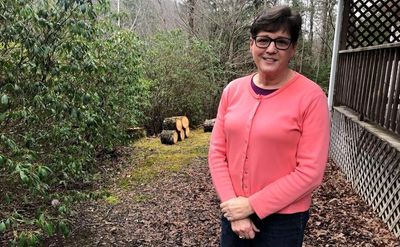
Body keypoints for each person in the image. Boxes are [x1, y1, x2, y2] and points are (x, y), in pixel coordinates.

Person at [208, 5, 330, 247]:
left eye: (281, 42)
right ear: (251, 44)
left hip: (284, 221)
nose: (271, 49)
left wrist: (252, 205)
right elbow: (217, 153)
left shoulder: (311, 97)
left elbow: (310, 172)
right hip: (233, 212)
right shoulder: (233, 91)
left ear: (293, 48)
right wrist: (235, 206)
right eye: (264, 40)